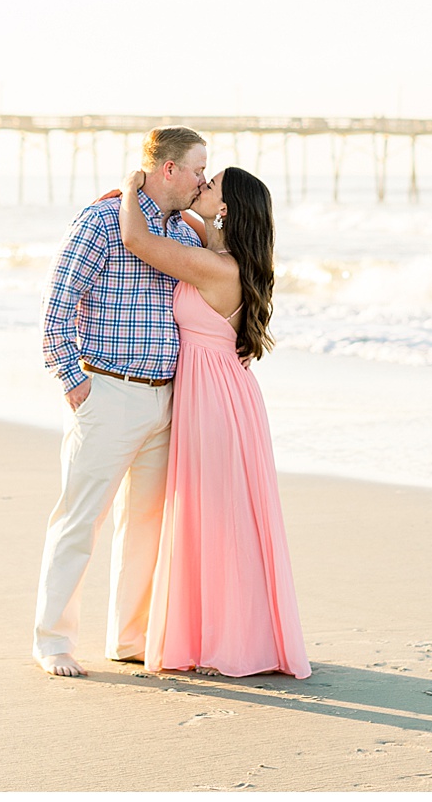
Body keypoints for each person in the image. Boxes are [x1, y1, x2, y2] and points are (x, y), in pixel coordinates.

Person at [116, 164, 310, 679]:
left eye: (210, 186)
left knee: (219, 521)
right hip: (220, 393)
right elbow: (188, 217)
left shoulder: (216, 267)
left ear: (224, 208)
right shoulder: (219, 251)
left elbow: (135, 237)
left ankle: (233, 641)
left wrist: (132, 185)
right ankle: (224, 632)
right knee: (219, 519)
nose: (200, 188)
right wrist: (176, 194)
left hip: (217, 402)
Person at [31, 126, 209, 678]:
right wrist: (75, 386)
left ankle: (129, 639)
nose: (205, 178)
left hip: (166, 401)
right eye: (199, 168)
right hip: (107, 392)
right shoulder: (102, 222)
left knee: (146, 528)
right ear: (170, 169)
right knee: (79, 521)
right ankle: (53, 642)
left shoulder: (188, 234)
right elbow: (56, 306)